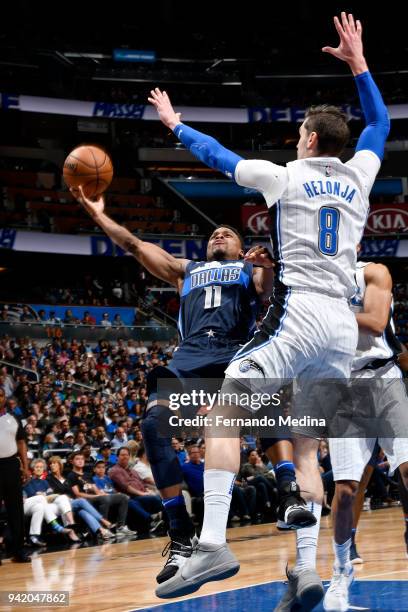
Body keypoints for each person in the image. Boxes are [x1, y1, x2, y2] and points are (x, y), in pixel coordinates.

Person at [149, 12, 390, 604]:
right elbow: (379, 121)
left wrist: (176, 123)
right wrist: (359, 63)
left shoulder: (284, 177)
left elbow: (215, 154)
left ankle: (210, 542)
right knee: (306, 443)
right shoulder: (361, 175)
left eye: (301, 132)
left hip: (301, 311)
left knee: (225, 409)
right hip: (341, 329)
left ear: (309, 139)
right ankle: (306, 569)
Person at [71, 184, 290, 587]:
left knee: (269, 399)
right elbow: (135, 245)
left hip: (233, 354)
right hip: (188, 359)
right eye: (213, 234)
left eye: (228, 232)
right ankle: (180, 533)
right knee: (153, 425)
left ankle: (289, 491)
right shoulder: (184, 270)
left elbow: (265, 292)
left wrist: (267, 265)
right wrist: (97, 214)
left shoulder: (247, 268)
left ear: (241, 246)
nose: (218, 234)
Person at [323, 259, 408, 611]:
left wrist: (318, 321)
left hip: (384, 378)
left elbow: (375, 323)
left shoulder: (372, 271)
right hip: (341, 385)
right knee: (345, 491)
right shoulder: (313, 278)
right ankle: (341, 572)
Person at [46, 455, 115, 542]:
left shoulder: (65, 476)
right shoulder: (49, 478)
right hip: (60, 504)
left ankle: (101, 531)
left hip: (72, 503)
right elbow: (52, 494)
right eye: (50, 464)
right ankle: (104, 521)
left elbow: (72, 492)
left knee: (82, 511)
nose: (52, 465)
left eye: (54, 463)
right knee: (81, 501)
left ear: (59, 465)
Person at [0, 386, 31, 562]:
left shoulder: (13, 418)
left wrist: (25, 466)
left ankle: (18, 550)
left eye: (1, 395)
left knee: (15, 509)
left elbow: (21, 442)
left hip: (11, 464)